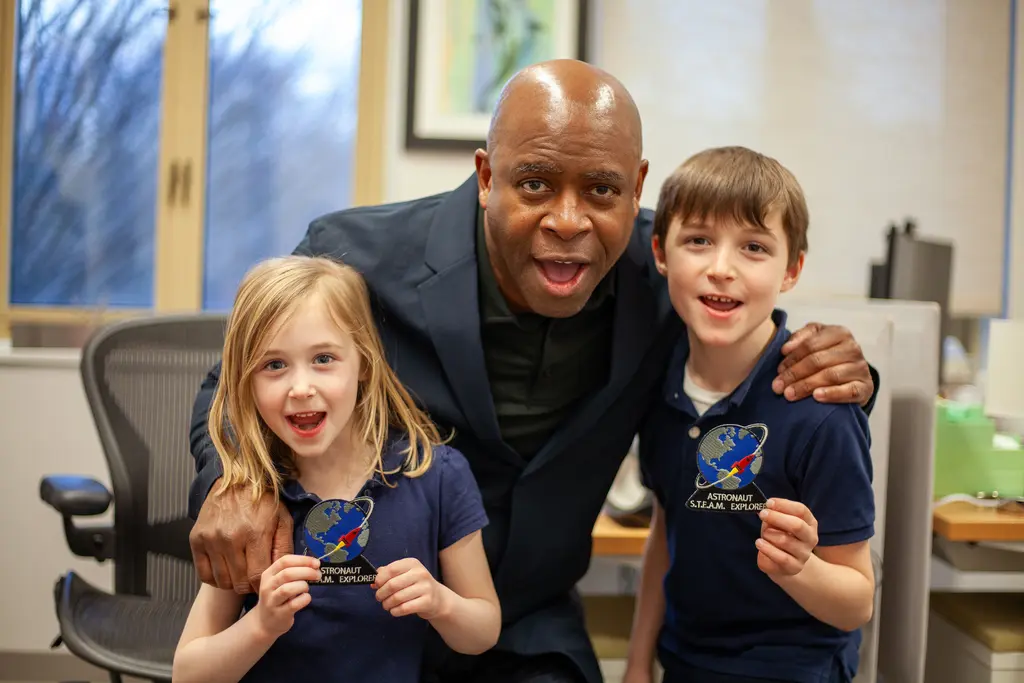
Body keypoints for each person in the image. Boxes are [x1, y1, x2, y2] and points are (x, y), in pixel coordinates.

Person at [186, 60, 879, 683]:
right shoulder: (355, 259)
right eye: (536, 183)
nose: (569, 219)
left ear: (636, 188)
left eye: (603, 190)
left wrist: (852, 369)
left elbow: (746, 338)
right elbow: (233, 386)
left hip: (527, 626)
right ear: (487, 177)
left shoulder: (662, 275)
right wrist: (233, 478)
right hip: (356, 618)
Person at [173, 256, 500, 683]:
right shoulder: (247, 498)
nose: (301, 387)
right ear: (244, 380)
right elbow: (188, 673)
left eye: (324, 358)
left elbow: (483, 631)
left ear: (363, 362)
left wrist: (441, 602)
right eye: (274, 365)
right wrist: (261, 625)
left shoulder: (437, 476)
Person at [624, 147, 875, 683]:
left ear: (792, 269)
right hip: (684, 664)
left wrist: (801, 569)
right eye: (698, 241)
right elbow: (666, 530)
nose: (721, 269)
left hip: (794, 669)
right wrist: (638, 662)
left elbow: (857, 601)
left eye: (754, 247)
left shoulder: (821, 412)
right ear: (660, 252)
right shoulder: (660, 389)